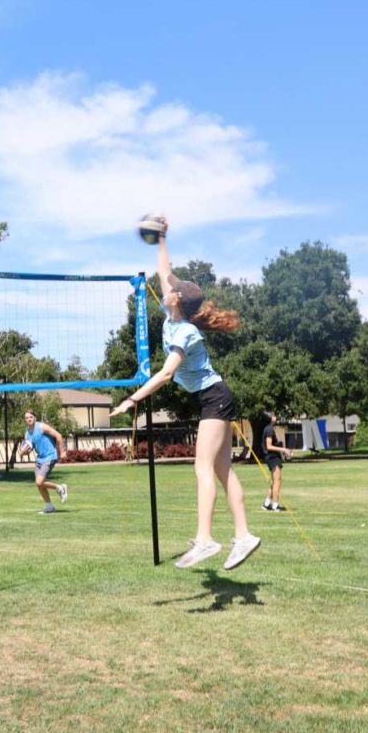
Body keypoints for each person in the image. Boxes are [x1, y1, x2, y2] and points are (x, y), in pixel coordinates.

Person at [111, 216, 260, 570]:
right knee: (223, 471)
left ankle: (206, 540)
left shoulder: (186, 333)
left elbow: (165, 374)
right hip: (213, 398)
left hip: (214, 398)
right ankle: (244, 536)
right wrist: (162, 238)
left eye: (173, 289)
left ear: (177, 300)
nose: (167, 288)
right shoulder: (174, 310)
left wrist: (132, 399)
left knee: (203, 467)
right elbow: (165, 270)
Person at [21, 410, 67, 514]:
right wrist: (22, 453)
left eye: (31, 417)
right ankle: (49, 506)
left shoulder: (42, 427)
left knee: (39, 481)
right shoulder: (27, 433)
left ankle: (60, 488)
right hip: (40, 459)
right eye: (27, 418)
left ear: (35, 418)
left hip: (50, 456)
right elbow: (28, 450)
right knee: (39, 484)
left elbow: (58, 435)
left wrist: (62, 452)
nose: (29, 419)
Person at [261, 411, 293, 511]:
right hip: (272, 458)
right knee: (277, 481)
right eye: (273, 415)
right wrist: (283, 449)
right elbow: (269, 446)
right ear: (270, 418)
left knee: (275, 481)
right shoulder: (269, 429)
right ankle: (275, 505)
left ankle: (266, 504)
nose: (275, 416)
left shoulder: (269, 428)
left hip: (272, 457)